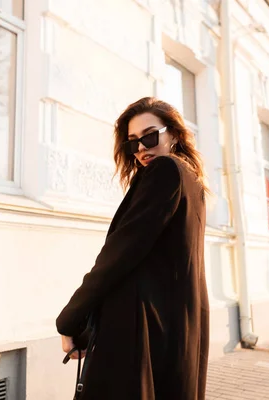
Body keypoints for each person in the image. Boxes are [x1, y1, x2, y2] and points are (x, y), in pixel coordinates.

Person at [55, 97, 210, 400]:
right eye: (132, 143)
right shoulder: (191, 180)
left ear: (174, 135)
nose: (141, 148)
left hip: (143, 326)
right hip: (174, 324)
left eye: (150, 136)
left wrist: (71, 318)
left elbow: (119, 253)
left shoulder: (165, 171)